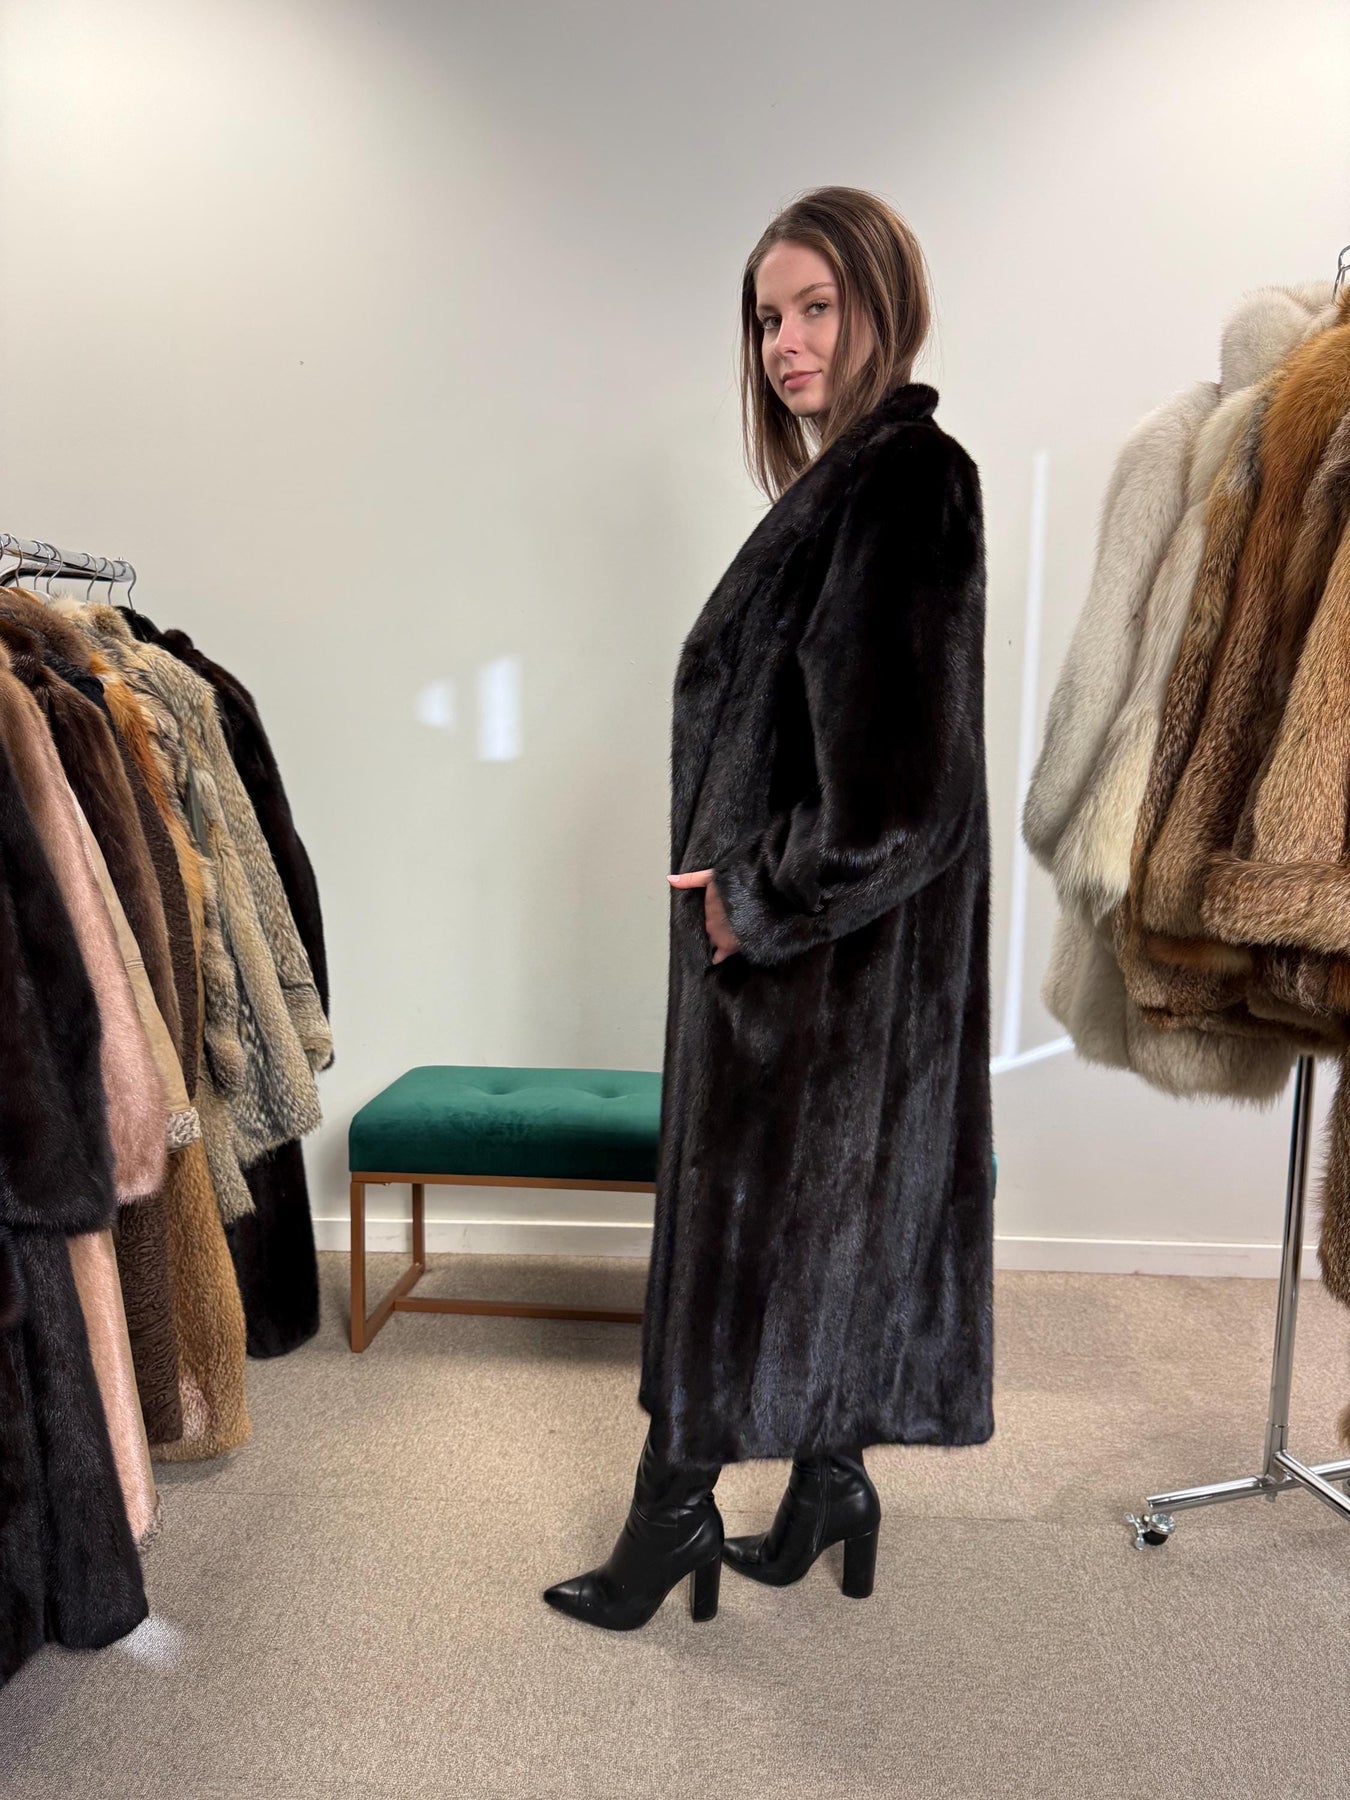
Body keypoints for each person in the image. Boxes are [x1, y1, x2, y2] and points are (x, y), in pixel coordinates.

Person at [544, 186, 994, 1632]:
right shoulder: (851, 484)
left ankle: (669, 1513)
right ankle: (828, 1484)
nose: (785, 343)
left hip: (811, 966)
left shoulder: (905, 480)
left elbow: (906, 796)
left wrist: (755, 899)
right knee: (821, 1230)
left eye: (815, 308)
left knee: (743, 1235)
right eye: (765, 318)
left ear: (883, 306)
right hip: (835, 968)